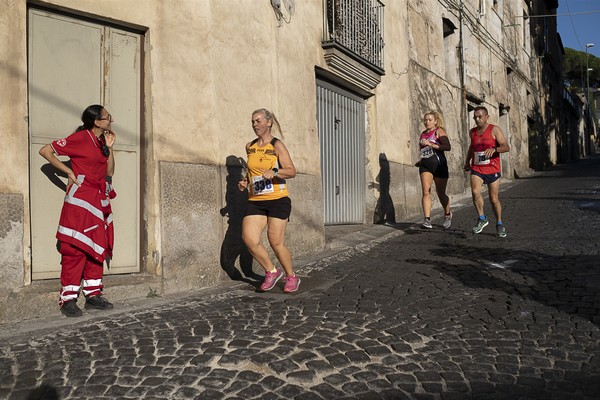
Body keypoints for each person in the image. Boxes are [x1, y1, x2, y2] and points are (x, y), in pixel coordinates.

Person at [39, 104, 117, 317]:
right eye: (107, 117)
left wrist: (109, 147)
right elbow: (45, 151)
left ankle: (93, 295)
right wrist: (68, 172)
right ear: (97, 121)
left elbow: (109, 171)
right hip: (80, 201)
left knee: (96, 246)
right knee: (74, 248)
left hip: (98, 199)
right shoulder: (80, 138)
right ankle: (68, 300)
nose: (110, 120)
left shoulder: (101, 141)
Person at [238, 108, 300, 293]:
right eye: (253, 122)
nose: (255, 125)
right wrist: (244, 182)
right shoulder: (250, 146)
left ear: (268, 122)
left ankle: (292, 277)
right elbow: (252, 172)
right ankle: (271, 271)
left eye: (258, 121)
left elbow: (291, 171)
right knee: (249, 239)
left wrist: (275, 172)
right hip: (256, 200)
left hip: (277, 200)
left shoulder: (276, 145)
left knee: (275, 242)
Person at [463, 106, 510, 237]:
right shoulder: (472, 132)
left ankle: (499, 223)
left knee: (493, 199)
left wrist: (495, 149)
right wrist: (467, 162)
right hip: (477, 168)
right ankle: (482, 218)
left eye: (480, 117)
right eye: (475, 117)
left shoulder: (494, 129)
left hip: (492, 169)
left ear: (486, 117)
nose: (477, 119)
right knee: (475, 192)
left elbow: (506, 147)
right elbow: (472, 147)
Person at [416, 111, 452, 229]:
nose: (427, 122)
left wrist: (432, 144)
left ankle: (447, 214)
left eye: (430, 120)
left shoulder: (439, 131)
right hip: (426, 166)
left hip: (439, 165)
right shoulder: (422, 134)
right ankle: (427, 220)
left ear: (435, 121)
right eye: (425, 120)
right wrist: (421, 160)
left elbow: (447, 147)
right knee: (426, 191)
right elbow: (423, 151)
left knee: (441, 193)